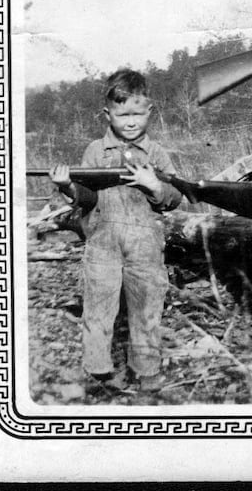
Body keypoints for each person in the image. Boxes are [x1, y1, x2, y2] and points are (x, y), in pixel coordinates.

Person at [49, 68, 181, 392]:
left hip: (145, 245)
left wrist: (155, 186)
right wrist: (67, 185)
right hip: (102, 243)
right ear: (108, 114)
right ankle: (98, 374)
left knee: (148, 310)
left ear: (150, 110)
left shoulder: (158, 153)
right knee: (98, 310)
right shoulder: (95, 151)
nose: (131, 121)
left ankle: (147, 373)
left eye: (138, 113)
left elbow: (175, 198)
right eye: (123, 114)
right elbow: (87, 197)